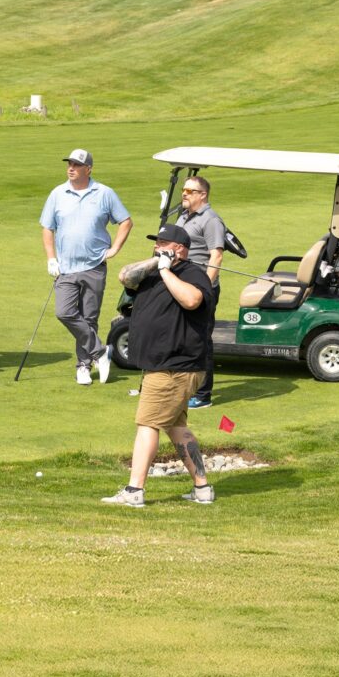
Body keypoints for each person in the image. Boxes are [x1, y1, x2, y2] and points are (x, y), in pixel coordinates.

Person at [101, 224, 215, 508]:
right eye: (156, 242)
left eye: (163, 242)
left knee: (147, 424)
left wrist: (166, 270)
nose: (156, 246)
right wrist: (157, 263)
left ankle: (134, 490)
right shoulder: (152, 271)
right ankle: (203, 489)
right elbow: (124, 276)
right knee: (177, 428)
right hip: (163, 365)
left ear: (179, 248)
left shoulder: (193, 274)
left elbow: (192, 300)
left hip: (175, 366)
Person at [40, 149, 132, 386]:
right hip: (66, 267)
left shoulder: (104, 193)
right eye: (69, 164)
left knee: (89, 317)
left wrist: (115, 249)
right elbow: (47, 228)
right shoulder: (57, 194)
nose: (71, 168)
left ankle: (83, 365)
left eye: (77, 165)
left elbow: (125, 221)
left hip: (94, 265)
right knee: (64, 312)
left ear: (88, 169)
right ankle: (101, 352)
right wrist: (51, 258)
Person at [175, 174, 226, 409]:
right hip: (182, 286)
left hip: (201, 288)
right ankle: (181, 387)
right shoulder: (184, 216)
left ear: (202, 195)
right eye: (183, 190)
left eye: (189, 191)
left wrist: (205, 288)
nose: (184, 193)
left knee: (201, 340)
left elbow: (216, 256)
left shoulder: (211, 220)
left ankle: (203, 395)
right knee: (182, 337)